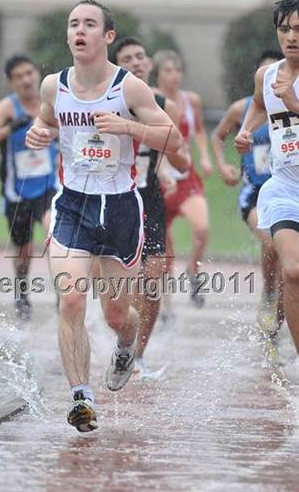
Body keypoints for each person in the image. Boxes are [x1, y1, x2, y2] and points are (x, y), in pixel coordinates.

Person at [26, 0, 183, 432]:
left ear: (107, 36)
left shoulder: (128, 87)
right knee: (72, 299)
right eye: (73, 24)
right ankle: (81, 398)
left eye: (89, 24)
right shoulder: (52, 86)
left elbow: (173, 137)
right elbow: (44, 124)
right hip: (73, 203)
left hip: (119, 208)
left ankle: (126, 344)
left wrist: (129, 127)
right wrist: (39, 134)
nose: (80, 31)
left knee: (117, 314)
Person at [112, 36, 189, 377]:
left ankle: (138, 355)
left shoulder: (163, 104)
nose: (136, 62)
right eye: (127, 58)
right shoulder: (106, 101)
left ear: (149, 63)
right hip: (116, 201)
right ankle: (124, 344)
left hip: (150, 200)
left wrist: (171, 166)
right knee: (123, 288)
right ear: (116, 65)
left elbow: (182, 158)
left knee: (154, 279)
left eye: (140, 56)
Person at [235, 0, 299, 378]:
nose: (291, 37)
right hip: (285, 187)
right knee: (292, 271)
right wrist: (245, 131)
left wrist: (296, 104)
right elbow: (260, 105)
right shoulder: (268, 75)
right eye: (285, 29)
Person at [0, 54, 58, 320]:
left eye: (29, 73)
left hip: (49, 186)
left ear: (37, 75)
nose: (26, 80)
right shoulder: (7, 108)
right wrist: (11, 128)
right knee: (23, 251)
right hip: (17, 191)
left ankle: (63, 294)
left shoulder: (51, 103)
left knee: (53, 235)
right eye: (19, 76)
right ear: (11, 82)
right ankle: (22, 292)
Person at [212, 50, 284, 343]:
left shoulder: (291, 106)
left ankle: (277, 322)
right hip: (254, 194)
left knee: (288, 262)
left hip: (286, 188)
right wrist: (223, 165)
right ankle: (268, 293)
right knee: (270, 240)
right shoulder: (241, 109)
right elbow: (218, 136)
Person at [153, 49, 212, 309]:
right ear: (158, 73)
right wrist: (162, 170)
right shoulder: (150, 99)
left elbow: (198, 130)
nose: (174, 76)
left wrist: (205, 157)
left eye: (178, 70)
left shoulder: (191, 101)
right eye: (168, 71)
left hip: (186, 177)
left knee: (201, 227)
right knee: (164, 250)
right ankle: (164, 305)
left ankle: (193, 272)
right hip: (159, 181)